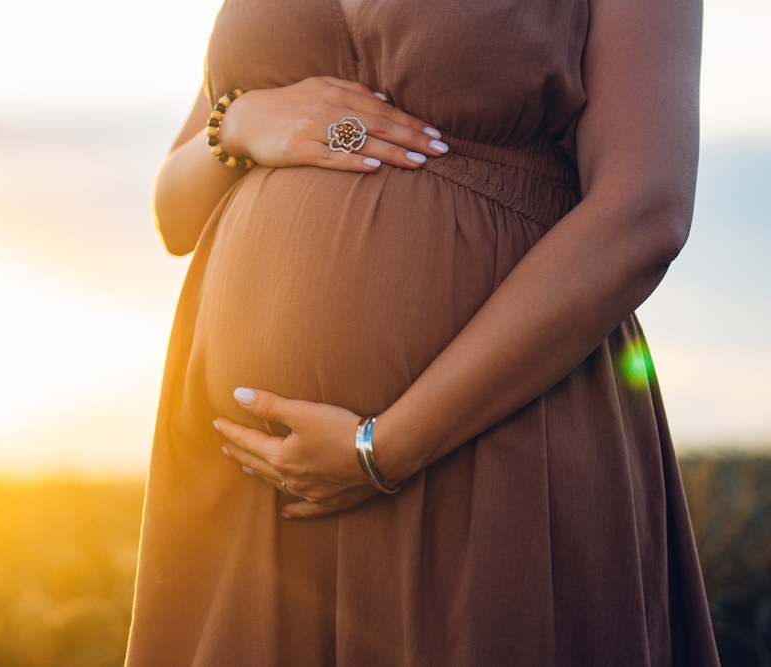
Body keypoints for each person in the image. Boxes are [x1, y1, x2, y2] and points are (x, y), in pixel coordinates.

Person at [126, 0, 720, 664]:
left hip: (492, 448)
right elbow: (173, 213)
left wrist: (383, 446)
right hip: (251, 487)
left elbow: (643, 214)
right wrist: (235, 122)